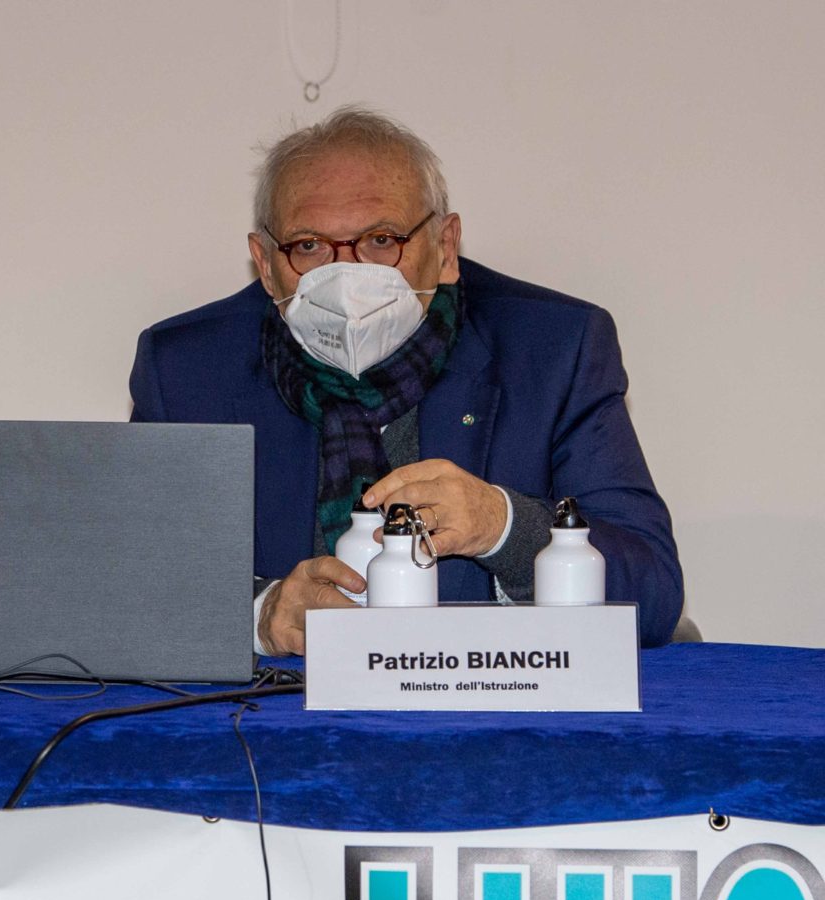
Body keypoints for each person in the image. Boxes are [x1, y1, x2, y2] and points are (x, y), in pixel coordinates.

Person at [129, 107, 683, 653]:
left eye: (381, 239)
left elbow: (652, 591)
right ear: (266, 263)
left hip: (482, 698)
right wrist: (257, 613)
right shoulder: (184, 370)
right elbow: (129, 585)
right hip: (278, 704)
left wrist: (503, 527)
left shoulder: (554, 350)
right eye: (308, 246)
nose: (346, 275)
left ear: (445, 247)